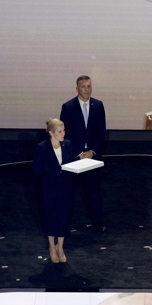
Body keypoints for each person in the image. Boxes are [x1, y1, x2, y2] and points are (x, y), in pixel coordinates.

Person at [60, 75, 107, 232]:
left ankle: (98, 223)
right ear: (77, 89)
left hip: (92, 158)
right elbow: (65, 135)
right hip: (75, 158)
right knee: (69, 192)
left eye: (89, 86)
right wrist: (79, 153)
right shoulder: (68, 107)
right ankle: (64, 223)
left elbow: (101, 132)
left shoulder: (98, 106)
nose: (87, 90)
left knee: (94, 191)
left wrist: (92, 152)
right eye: (83, 87)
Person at [32, 118, 74, 263]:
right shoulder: (42, 147)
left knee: (64, 216)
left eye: (64, 131)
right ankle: (51, 246)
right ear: (51, 133)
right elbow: (36, 170)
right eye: (60, 131)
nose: (63, 134)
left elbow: (71, 162)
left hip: (65, 188)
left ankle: (60, 246)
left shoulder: (67, 145)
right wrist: (52, 173)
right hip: (49, 188)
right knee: (51, 217)